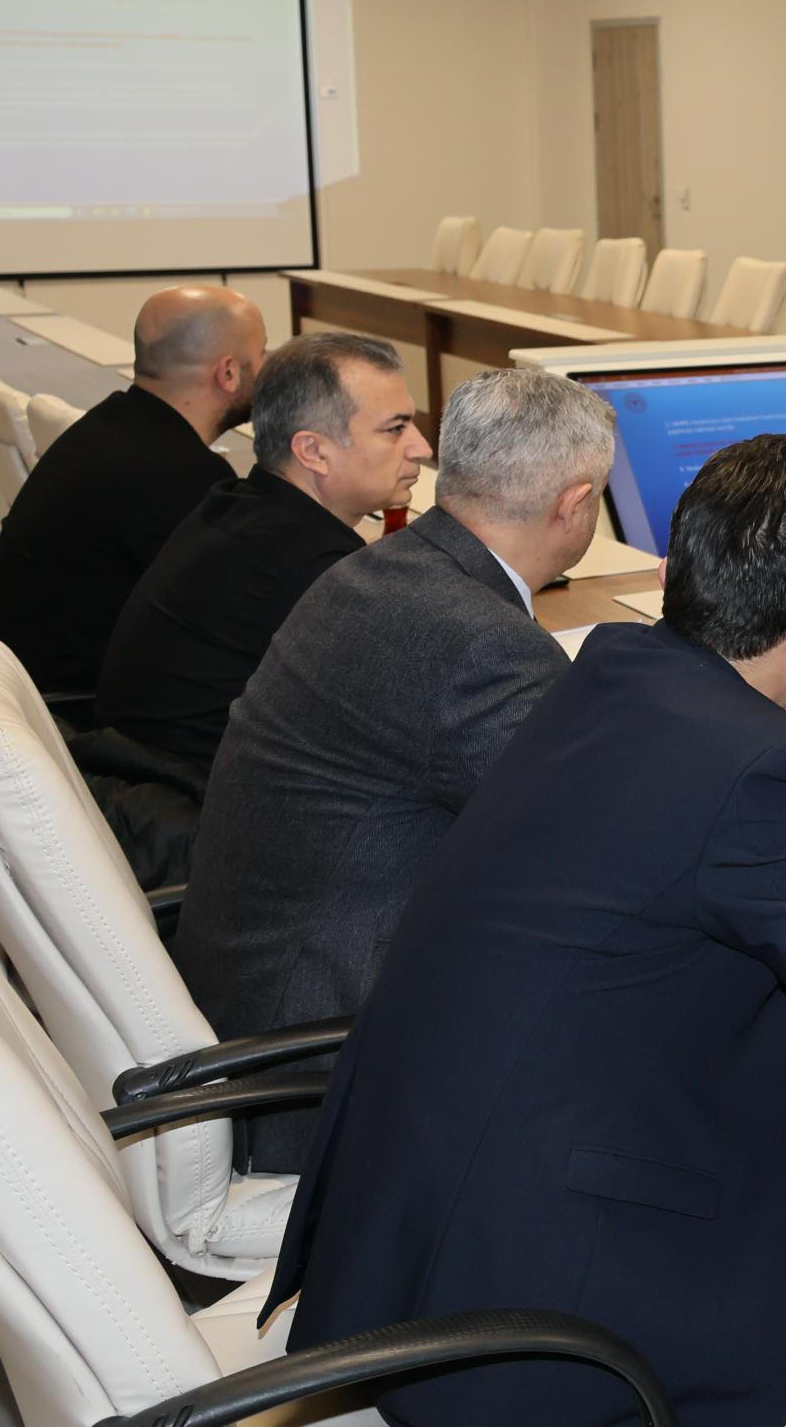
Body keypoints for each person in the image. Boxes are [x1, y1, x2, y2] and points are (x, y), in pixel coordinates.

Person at [271, 433, 786, 1427]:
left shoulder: (610, 677)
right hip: (553, 1324)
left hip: (414, 1255)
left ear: (676, 573)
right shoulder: (763, 764)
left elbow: (700, 872)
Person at [173, 367, 611, 1172]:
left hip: (256, 990)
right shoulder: (483, 642)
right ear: (575, 503)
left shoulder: (382, 572)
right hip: (324, 1071)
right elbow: (598, 850)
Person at [78, 334, 430, 887]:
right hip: (215, 842)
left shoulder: (236, 506)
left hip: (140, 795)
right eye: (396, 428)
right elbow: (419, 731)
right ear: (313, 451)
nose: (421, 448)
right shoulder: (316, 572)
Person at [0, 285, 263, 698]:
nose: (267, 368)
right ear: (228, 372)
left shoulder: (109, 423)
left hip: (11, 686)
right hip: (74, 709)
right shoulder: (181, 473)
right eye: (262, 354)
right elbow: (233, 619)